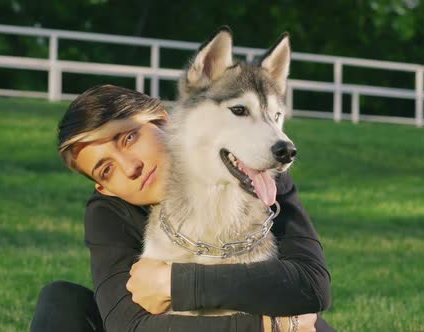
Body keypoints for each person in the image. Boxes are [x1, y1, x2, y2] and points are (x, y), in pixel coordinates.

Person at [30, 85, 335, 332]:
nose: (131, 167)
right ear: (104, 188)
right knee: (61, 301)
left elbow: (312, 284)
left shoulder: (250, 168)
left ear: (164, 121)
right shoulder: (109, 213)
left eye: (129, 138)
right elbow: (128, 325)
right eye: (106, 170)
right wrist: (268, 325)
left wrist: (173, 283)